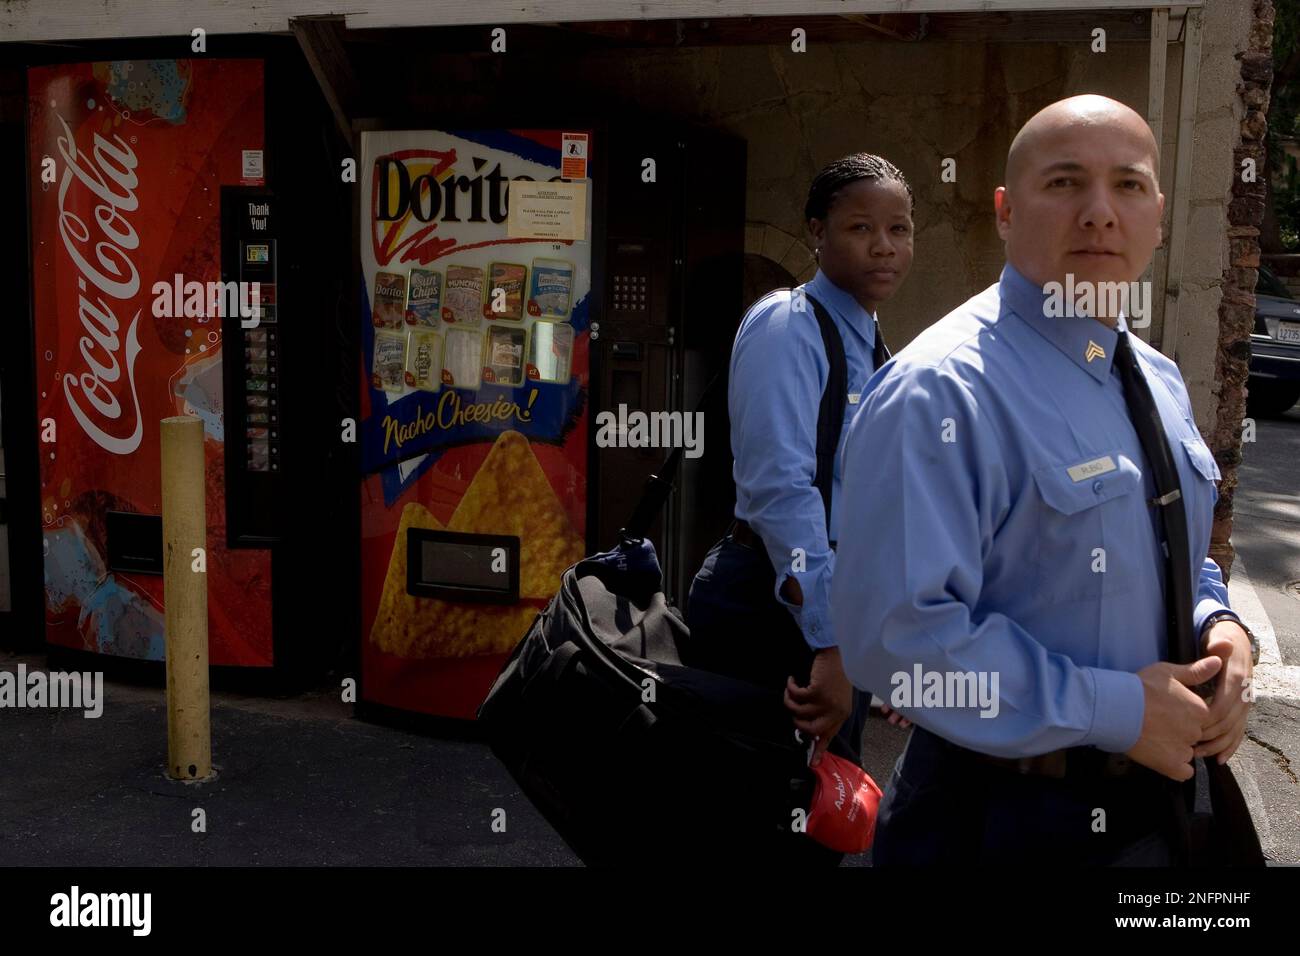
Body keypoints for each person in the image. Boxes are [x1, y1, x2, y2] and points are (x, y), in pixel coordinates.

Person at [831, 95, 1260, 865]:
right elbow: (895, 639)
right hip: (999, 820)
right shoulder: (941, 391)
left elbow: (1171, 555)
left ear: (1158, 213)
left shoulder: (1155, 377)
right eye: (1065, 183)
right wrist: (1114, 708)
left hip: (1154, 808)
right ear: (1004, 210)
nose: (1100, 213)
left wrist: (1219, 627)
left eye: (1127, 185)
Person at [688, 153, 914, 786]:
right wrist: (831, 642)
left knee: (818, 813)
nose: (884, 247)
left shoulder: (872, 344)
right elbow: (780, 491)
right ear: (817, 231)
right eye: (860, 228)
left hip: (836, 605)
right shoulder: (790, 326)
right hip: (772, 607)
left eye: (899, 229)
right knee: (761, 815)